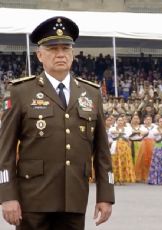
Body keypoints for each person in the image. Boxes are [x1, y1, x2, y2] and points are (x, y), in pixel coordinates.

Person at [0, 16, 114, 229]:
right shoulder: (20, 92)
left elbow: (102, 151)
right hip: (33, 200)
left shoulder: (91, 93)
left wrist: (106, 195)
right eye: (53, 49)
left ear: (73, 53)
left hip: (74, 198)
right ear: (40, 54)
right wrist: (7, 196)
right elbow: (4, 150)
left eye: (66, 48)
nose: (60, 54)